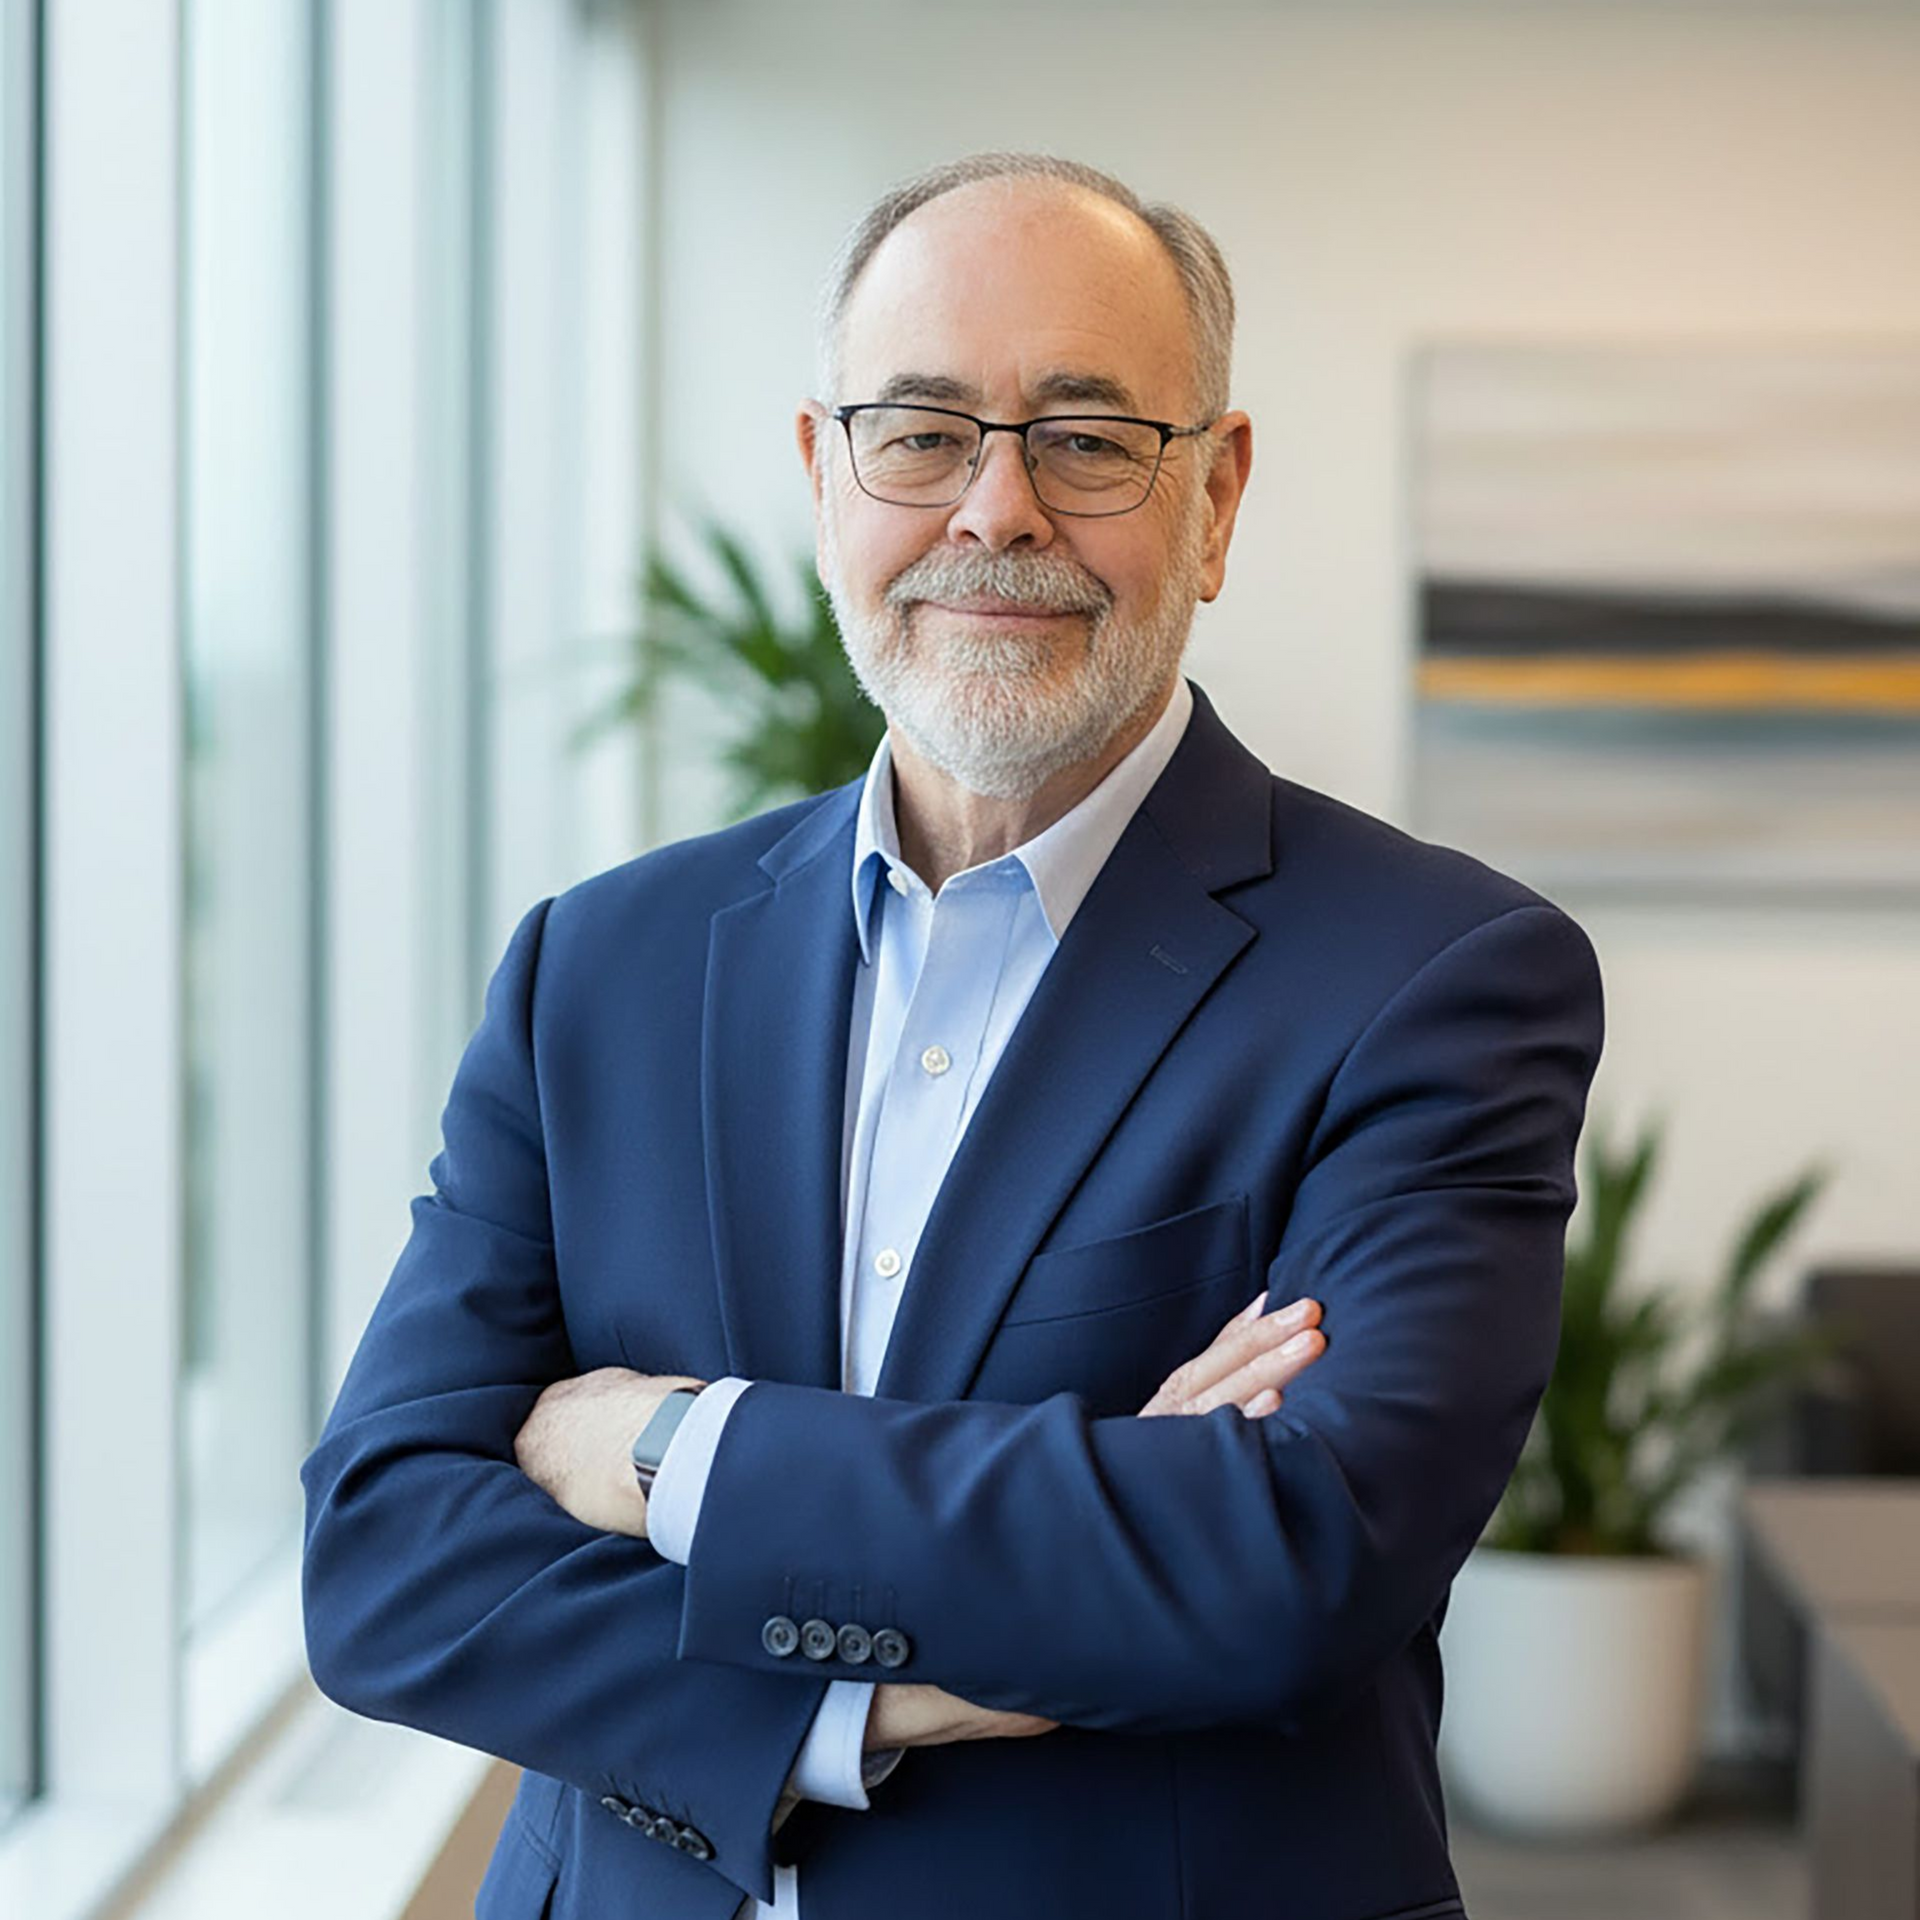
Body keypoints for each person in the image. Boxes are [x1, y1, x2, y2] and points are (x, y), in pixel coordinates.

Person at [300, 151, 1604, 1920]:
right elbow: (384, 1557)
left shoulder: (1438, 978)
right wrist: (877, 1701)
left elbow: (1290, 1558)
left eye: (1087, 439)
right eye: (920, 434)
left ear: (1216, 497)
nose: (996, 511)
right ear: (823, 479)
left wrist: (674, 1451)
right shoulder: (597, 966)